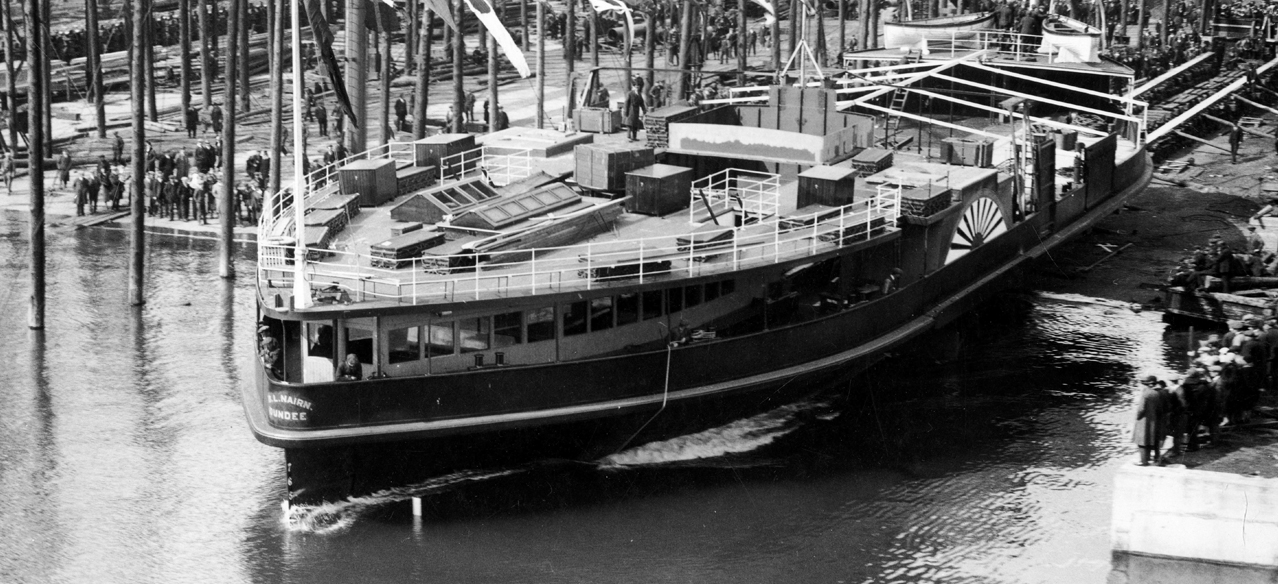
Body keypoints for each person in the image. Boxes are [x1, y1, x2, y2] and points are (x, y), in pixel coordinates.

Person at [1133, 375, 1166, 466]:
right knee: (1149, 439)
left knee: (1142, 441)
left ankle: (1144, 461)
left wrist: (1137, 417)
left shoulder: (1145, 393)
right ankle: (1149, 458)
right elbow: (1159, 409)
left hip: (1144, 420)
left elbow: (1141, 409)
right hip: (1153, 420)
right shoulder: (1156, 393)